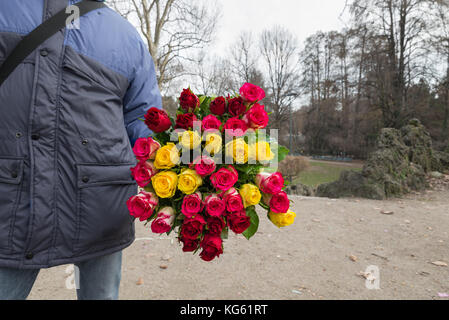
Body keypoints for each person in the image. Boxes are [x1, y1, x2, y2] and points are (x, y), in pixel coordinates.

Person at [0, 0, 161, 300]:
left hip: (86, 205)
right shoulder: (124, 33)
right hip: (90, 200)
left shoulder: (124, 34)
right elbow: (146, 126)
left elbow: (146, 125)